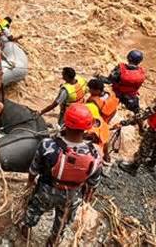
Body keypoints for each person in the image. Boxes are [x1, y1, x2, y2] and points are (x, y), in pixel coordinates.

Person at [21, 104, 102, 245]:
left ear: (66, 123)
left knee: (33, 211)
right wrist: (87, 199)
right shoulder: (95, 154)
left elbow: (34, 169)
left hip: (46, 190)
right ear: (87, 127)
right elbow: (93, 184)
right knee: (61, 224)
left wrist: (29, 184)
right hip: (72, 195)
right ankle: (52, 241)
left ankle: (25, 234)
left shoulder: (47, 145)